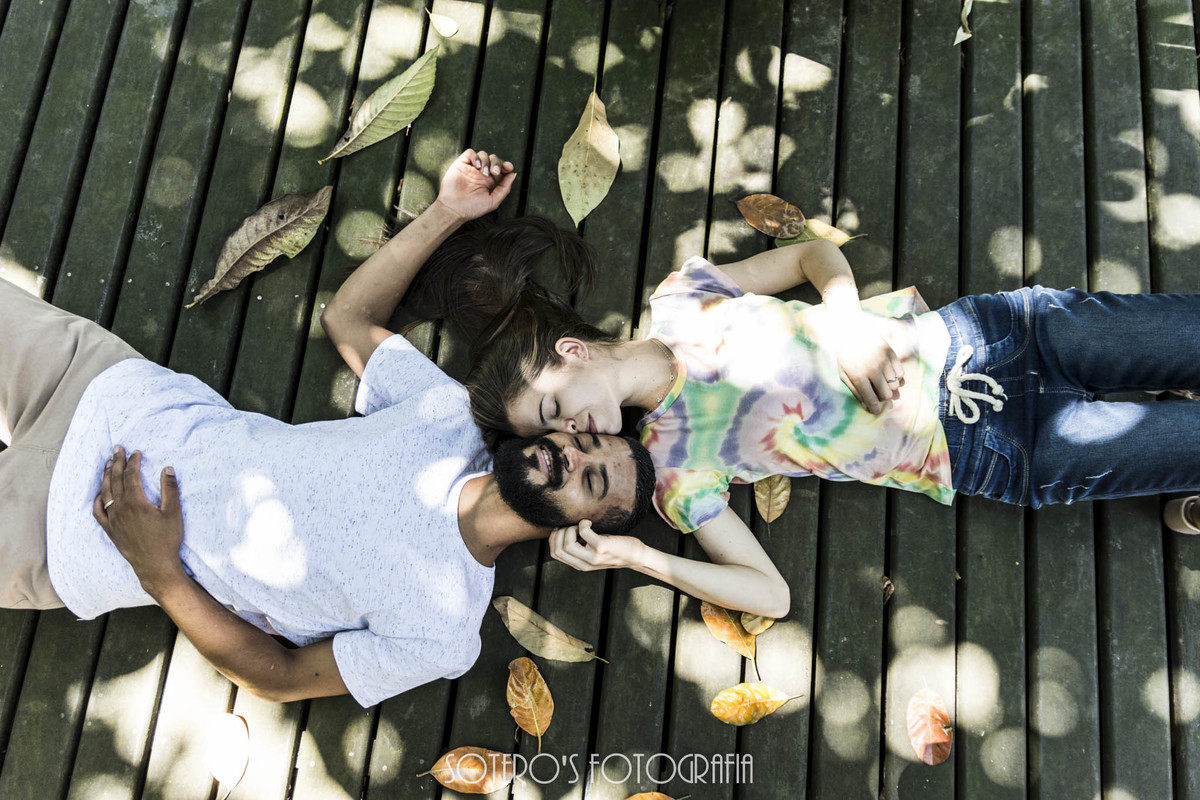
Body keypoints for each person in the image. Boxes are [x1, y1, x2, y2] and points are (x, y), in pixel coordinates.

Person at [0, 151, 656, 708]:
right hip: (105, 387)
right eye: (585, 441)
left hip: (68, 534)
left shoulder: (443, 629)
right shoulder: (450, 417)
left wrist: (160, 572)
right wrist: (449, 210)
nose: (572, 456)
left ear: (581, 531)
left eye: (593, 481)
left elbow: (281, 678)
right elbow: (350, 319)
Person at [409, 192, 1200, 616]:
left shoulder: (683, 300)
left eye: (552, 411)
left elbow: (815, 257)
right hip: (995, 450)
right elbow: (771, 595)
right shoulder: (675, 470)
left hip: (991, 336)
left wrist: (847, 326)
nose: (570, 433)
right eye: (549, 437)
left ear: (572, 352)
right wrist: (639, 558)